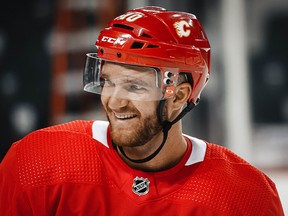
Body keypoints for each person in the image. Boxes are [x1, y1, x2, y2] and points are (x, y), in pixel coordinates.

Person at [0, 6, 284, 215]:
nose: (114, 101)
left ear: (179, 96)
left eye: (134, 87)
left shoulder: (245, 196)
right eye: (108, 81)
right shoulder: (36, 162)